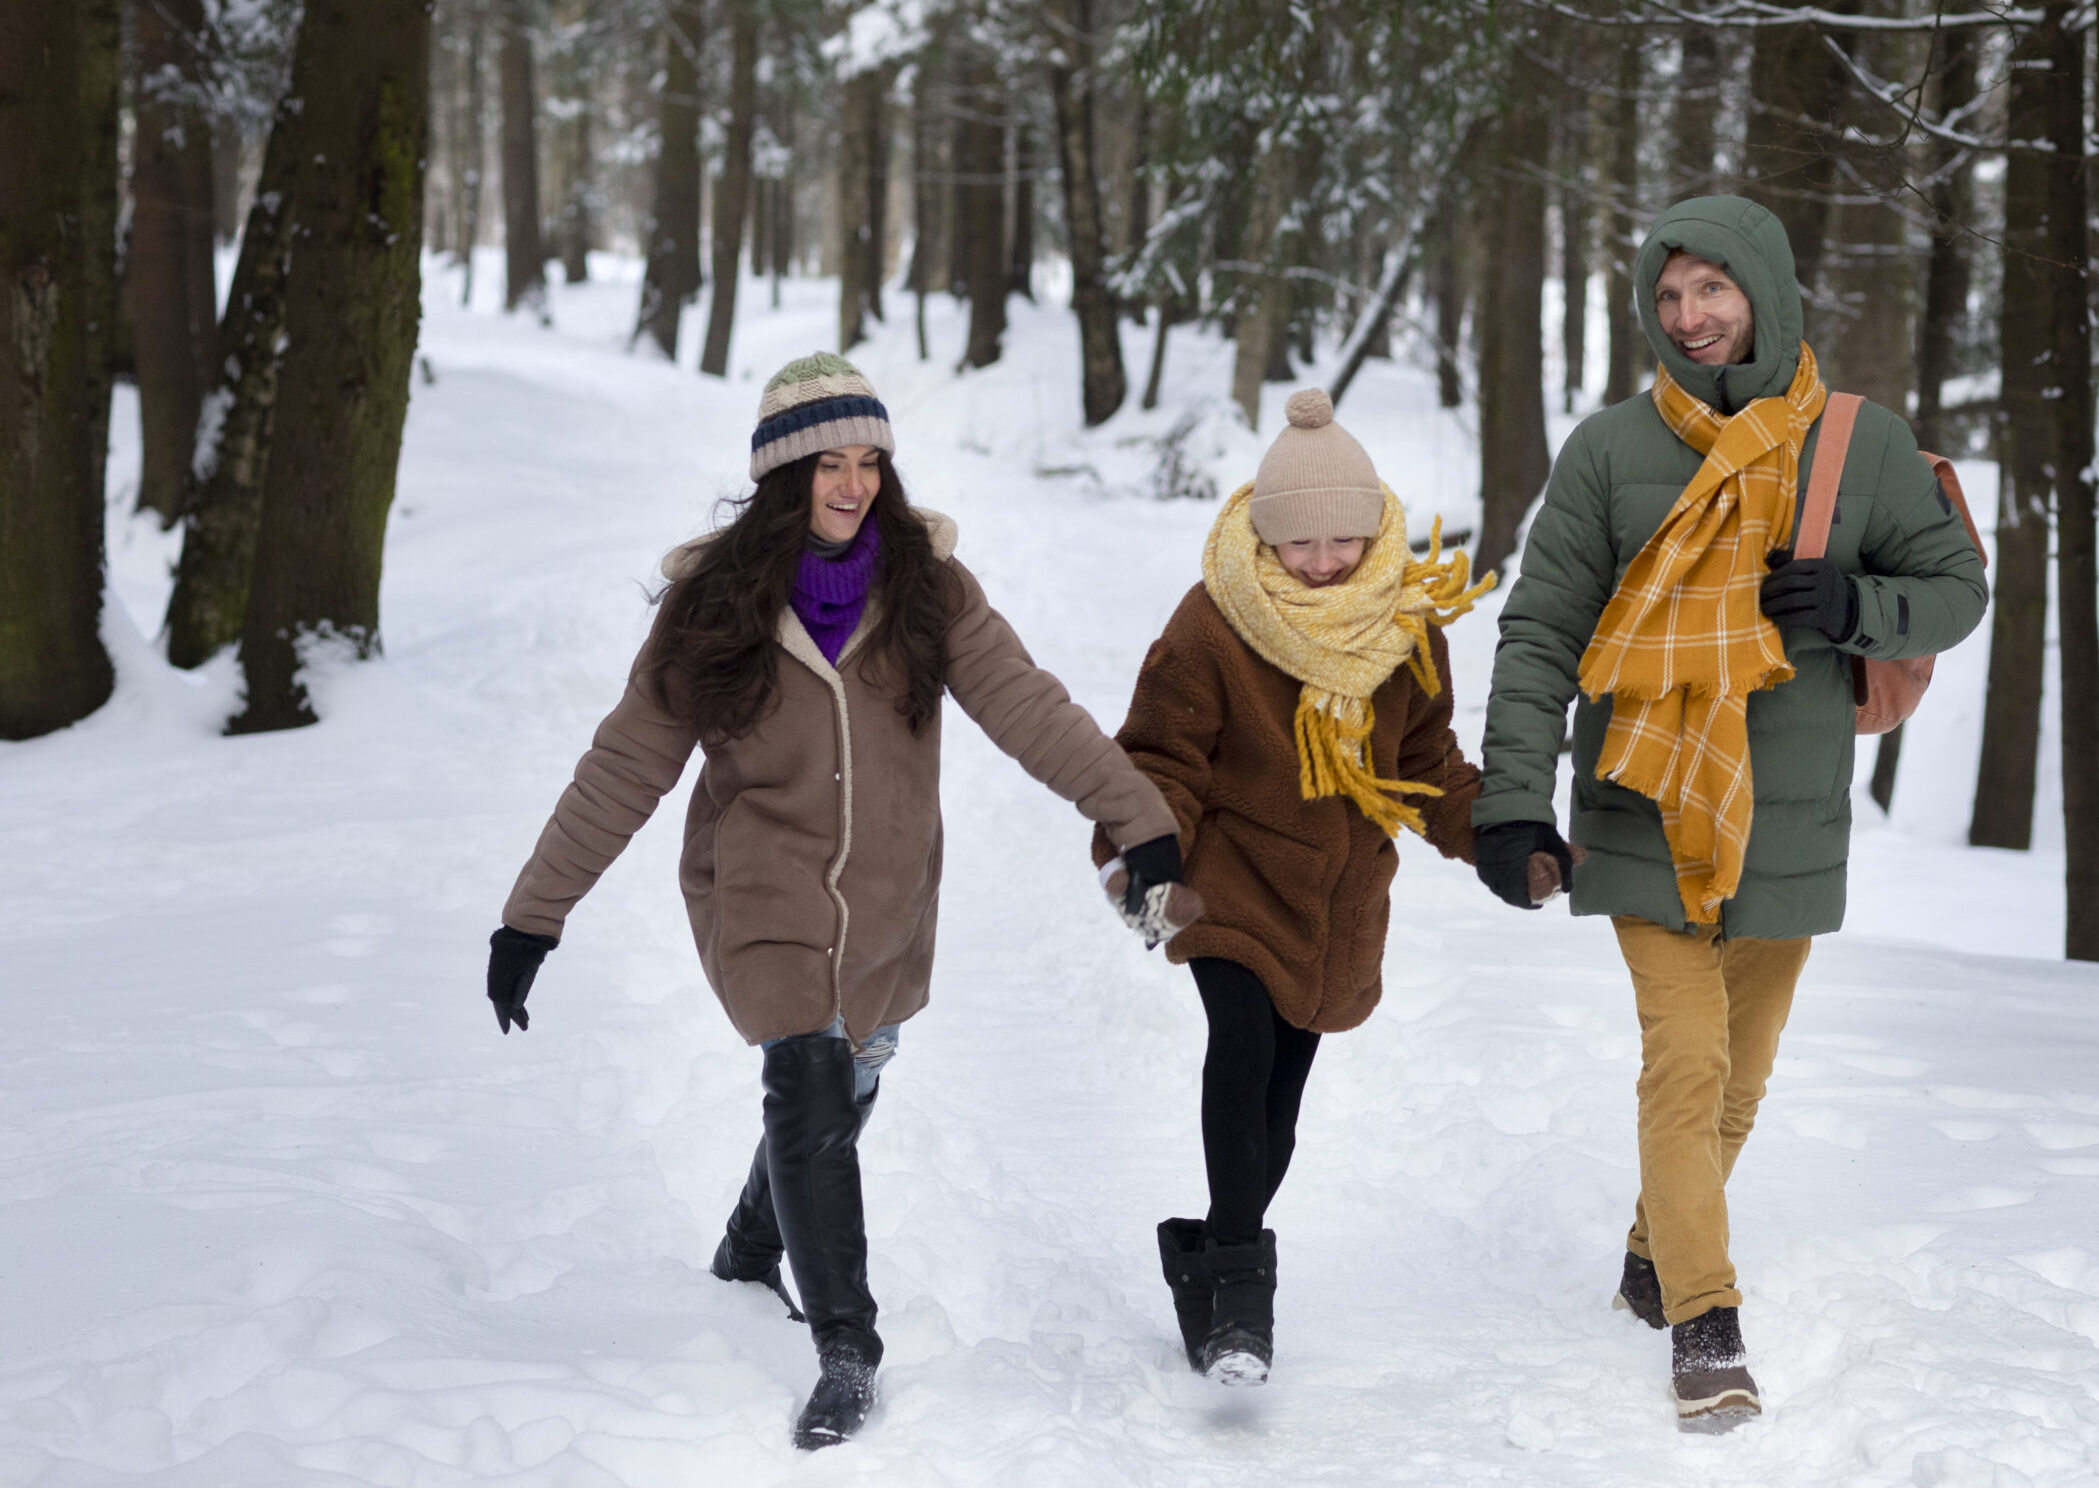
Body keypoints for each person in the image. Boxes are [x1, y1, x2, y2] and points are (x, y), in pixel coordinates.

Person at [485, 354, 1192, 1449]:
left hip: (887, 902)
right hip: (758, 890)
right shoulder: (711, 607)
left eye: (869, 461)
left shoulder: (930, 591)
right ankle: (846, 1350)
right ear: (783, 478)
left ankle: (749, 1243)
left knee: (845, 1087)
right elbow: (624, 765)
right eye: (829, 464)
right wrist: (533, 915)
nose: (853, 485)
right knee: (806, 1083)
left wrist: (1140, 821)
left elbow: (1030, 711)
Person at [1471, 198, 1987, 1427]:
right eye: (1666, 297)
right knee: (1686, 1060)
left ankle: (1655, 1251)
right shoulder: (1607, 451)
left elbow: (1957, 590)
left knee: (1739, 1082)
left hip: (1788, 814)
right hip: (1640, 799)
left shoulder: (1860, 446)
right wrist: (1510, 802)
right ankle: (1705, 1323)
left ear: (1761, 288)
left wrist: (1855, 603)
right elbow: (1542, 628)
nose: (1689, 318)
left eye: (1710, 289)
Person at [1100, 390, 1569, 1385]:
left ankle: (1208, 1254)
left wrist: (1499, 838)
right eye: (1298, 543)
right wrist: (1146, 852)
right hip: (1226, 878)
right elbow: (1161, 760)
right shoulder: (1215, 622)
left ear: (1372, 528)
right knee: (1240, 1042)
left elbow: (1426, 764)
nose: (1320, 562)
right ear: (1263, 537)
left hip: (1335, 898)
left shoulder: (1403, 626)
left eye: (1341, 541)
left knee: (1281, 1100)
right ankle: (1239, 1302)